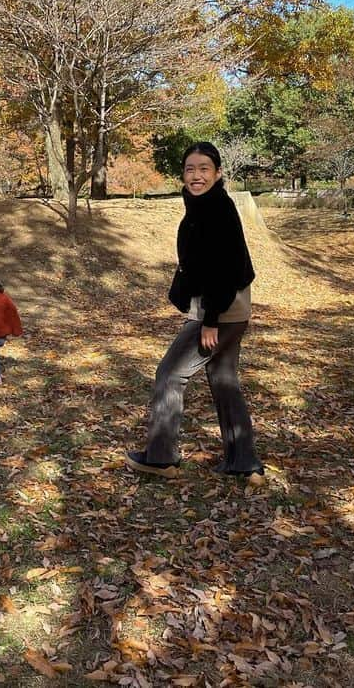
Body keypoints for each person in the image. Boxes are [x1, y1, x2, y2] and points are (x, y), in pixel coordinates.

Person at [125, 141, 264, 485]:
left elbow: (224, 268)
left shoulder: (217, 208)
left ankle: (160, 459)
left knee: (170, 374)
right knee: (224, 381)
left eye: (204, 169)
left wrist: (210, 320)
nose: (197, 175)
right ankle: (244, 463)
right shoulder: (203, 205)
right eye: (190, 169)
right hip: (229, 307)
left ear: (218, 173)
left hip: (221, 310)